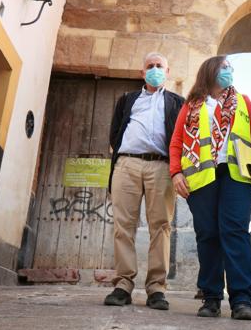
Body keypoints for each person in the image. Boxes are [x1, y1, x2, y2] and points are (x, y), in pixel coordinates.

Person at [169, 55, 251, 321]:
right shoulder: (190, 106)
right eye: (224, 67)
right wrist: (175, 172)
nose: (229, 71)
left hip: (236, 174)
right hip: (202, 177)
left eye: (230, 68)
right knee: (208, 234)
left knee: (235, 232)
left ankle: (242, 300)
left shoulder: (243, 102)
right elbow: (177, 139)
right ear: (210, 71)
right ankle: (211, 298)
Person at [104, 52, 184, 311]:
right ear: (142, 72)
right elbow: (115, 133)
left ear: (167, 71)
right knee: (123, 225)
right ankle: (123, 284)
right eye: (150, 66)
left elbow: (182, 136)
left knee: (160, 226)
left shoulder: (177, 102)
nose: (154, 69)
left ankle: (156, 288)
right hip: (127, 164)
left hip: (161, 166)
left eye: (159, 66)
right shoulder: (128, 99)